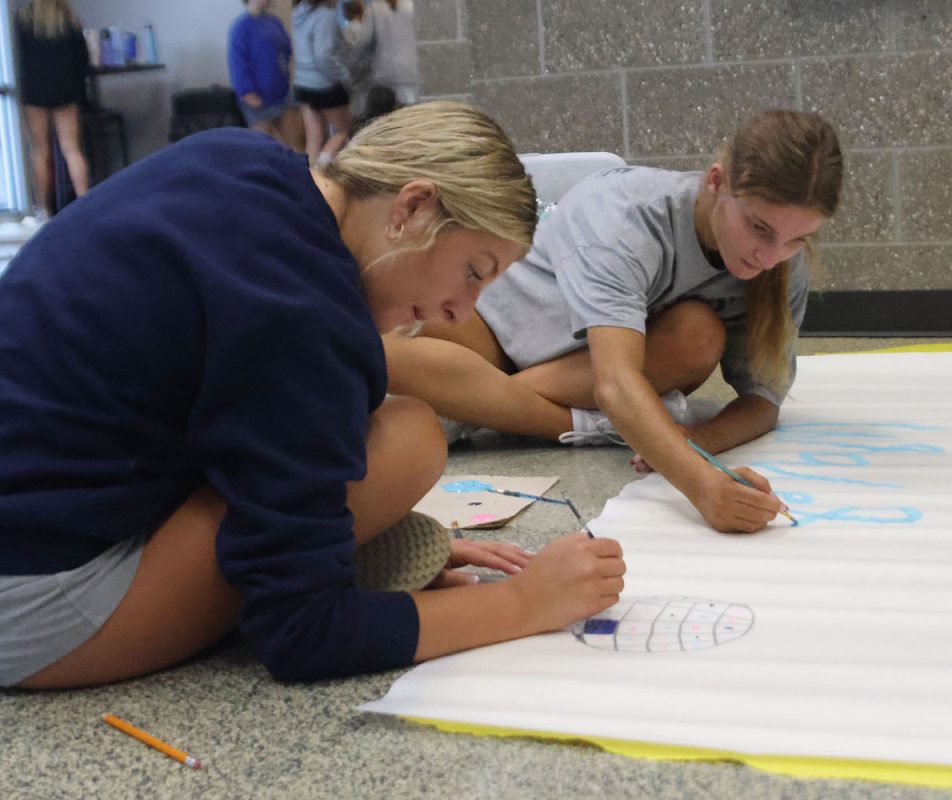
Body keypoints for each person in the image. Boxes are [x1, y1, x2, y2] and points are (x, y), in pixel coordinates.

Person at [0, 101, 626, 689]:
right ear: (412, 207)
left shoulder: (241, 157)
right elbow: (302, 634)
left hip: (35, 512)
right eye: (474, 271)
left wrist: (326, 528)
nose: (460, 311)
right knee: (408, 440)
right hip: (29, 600)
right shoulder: (302, 314)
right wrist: (522, 602)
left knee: (391, 426)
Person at [386, 109, 843, 534]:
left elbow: (762, 400)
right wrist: (700, 483)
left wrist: (694, 442)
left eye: (796, 239)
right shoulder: (627, 215)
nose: (769, 255)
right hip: (493, 330)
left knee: (699, 334)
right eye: (759, 227)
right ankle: (589, 425)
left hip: (577, 369)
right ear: (716, 182)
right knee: (389, 351)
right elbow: (616, 384)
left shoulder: (783, 265)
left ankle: (477, 407)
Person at [12, 0, 90, 215]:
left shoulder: (23, 20)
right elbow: (82, 59)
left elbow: (16, 57)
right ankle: (85, 202)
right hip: (66, 91)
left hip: (34, 91)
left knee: (39, 151)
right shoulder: (68, 18)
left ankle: (43, 209)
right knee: (72, 149)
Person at [227, 0, 303, 151]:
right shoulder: (241, 26)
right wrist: (247, 93)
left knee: (296, 144)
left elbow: (287, 51)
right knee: (267, 149)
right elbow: (237, 63)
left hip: (282, 94)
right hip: (256, 98)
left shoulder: (273, 21)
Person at [292, 0, 353, 166]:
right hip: (325, 83)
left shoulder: (298, 12)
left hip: (302, 82)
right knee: (342, 132)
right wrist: (345, 75)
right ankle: (324, 169)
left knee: (313, 137)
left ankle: (310, 176)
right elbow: (323, 55)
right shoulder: (326, 15)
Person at [345, 0, 419, 114]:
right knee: (412, 116)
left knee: (387, 118)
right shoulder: (412, 4)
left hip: (385, 73)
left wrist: (351, 68)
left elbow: (364, 42)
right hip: (411, 71)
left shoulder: (375, 7)